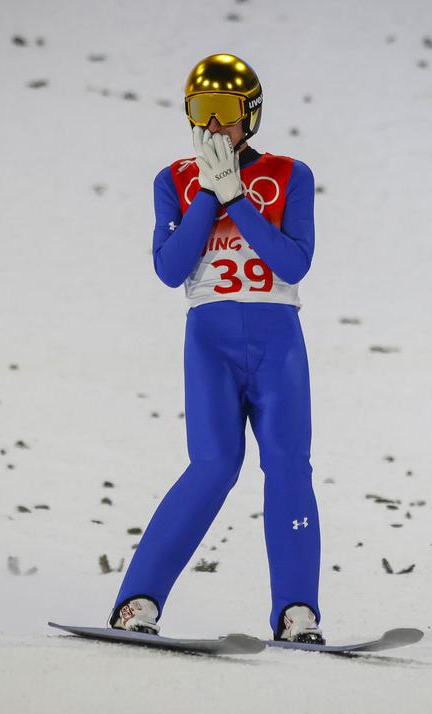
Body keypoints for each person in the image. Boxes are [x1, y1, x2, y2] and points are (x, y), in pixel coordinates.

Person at [107, 53, 324, 644]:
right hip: (209, 340)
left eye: (225, 113)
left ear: (250, 114)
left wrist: (238, 198)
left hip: (277, 339)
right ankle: (137, 602)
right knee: (212, 467)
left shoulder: (289, 173)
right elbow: (170, 268)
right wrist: (208, 193)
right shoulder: (173, 180)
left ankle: (297, 612)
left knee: (287, 468)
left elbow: (292, 260)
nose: (213, 127)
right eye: (200, 113)